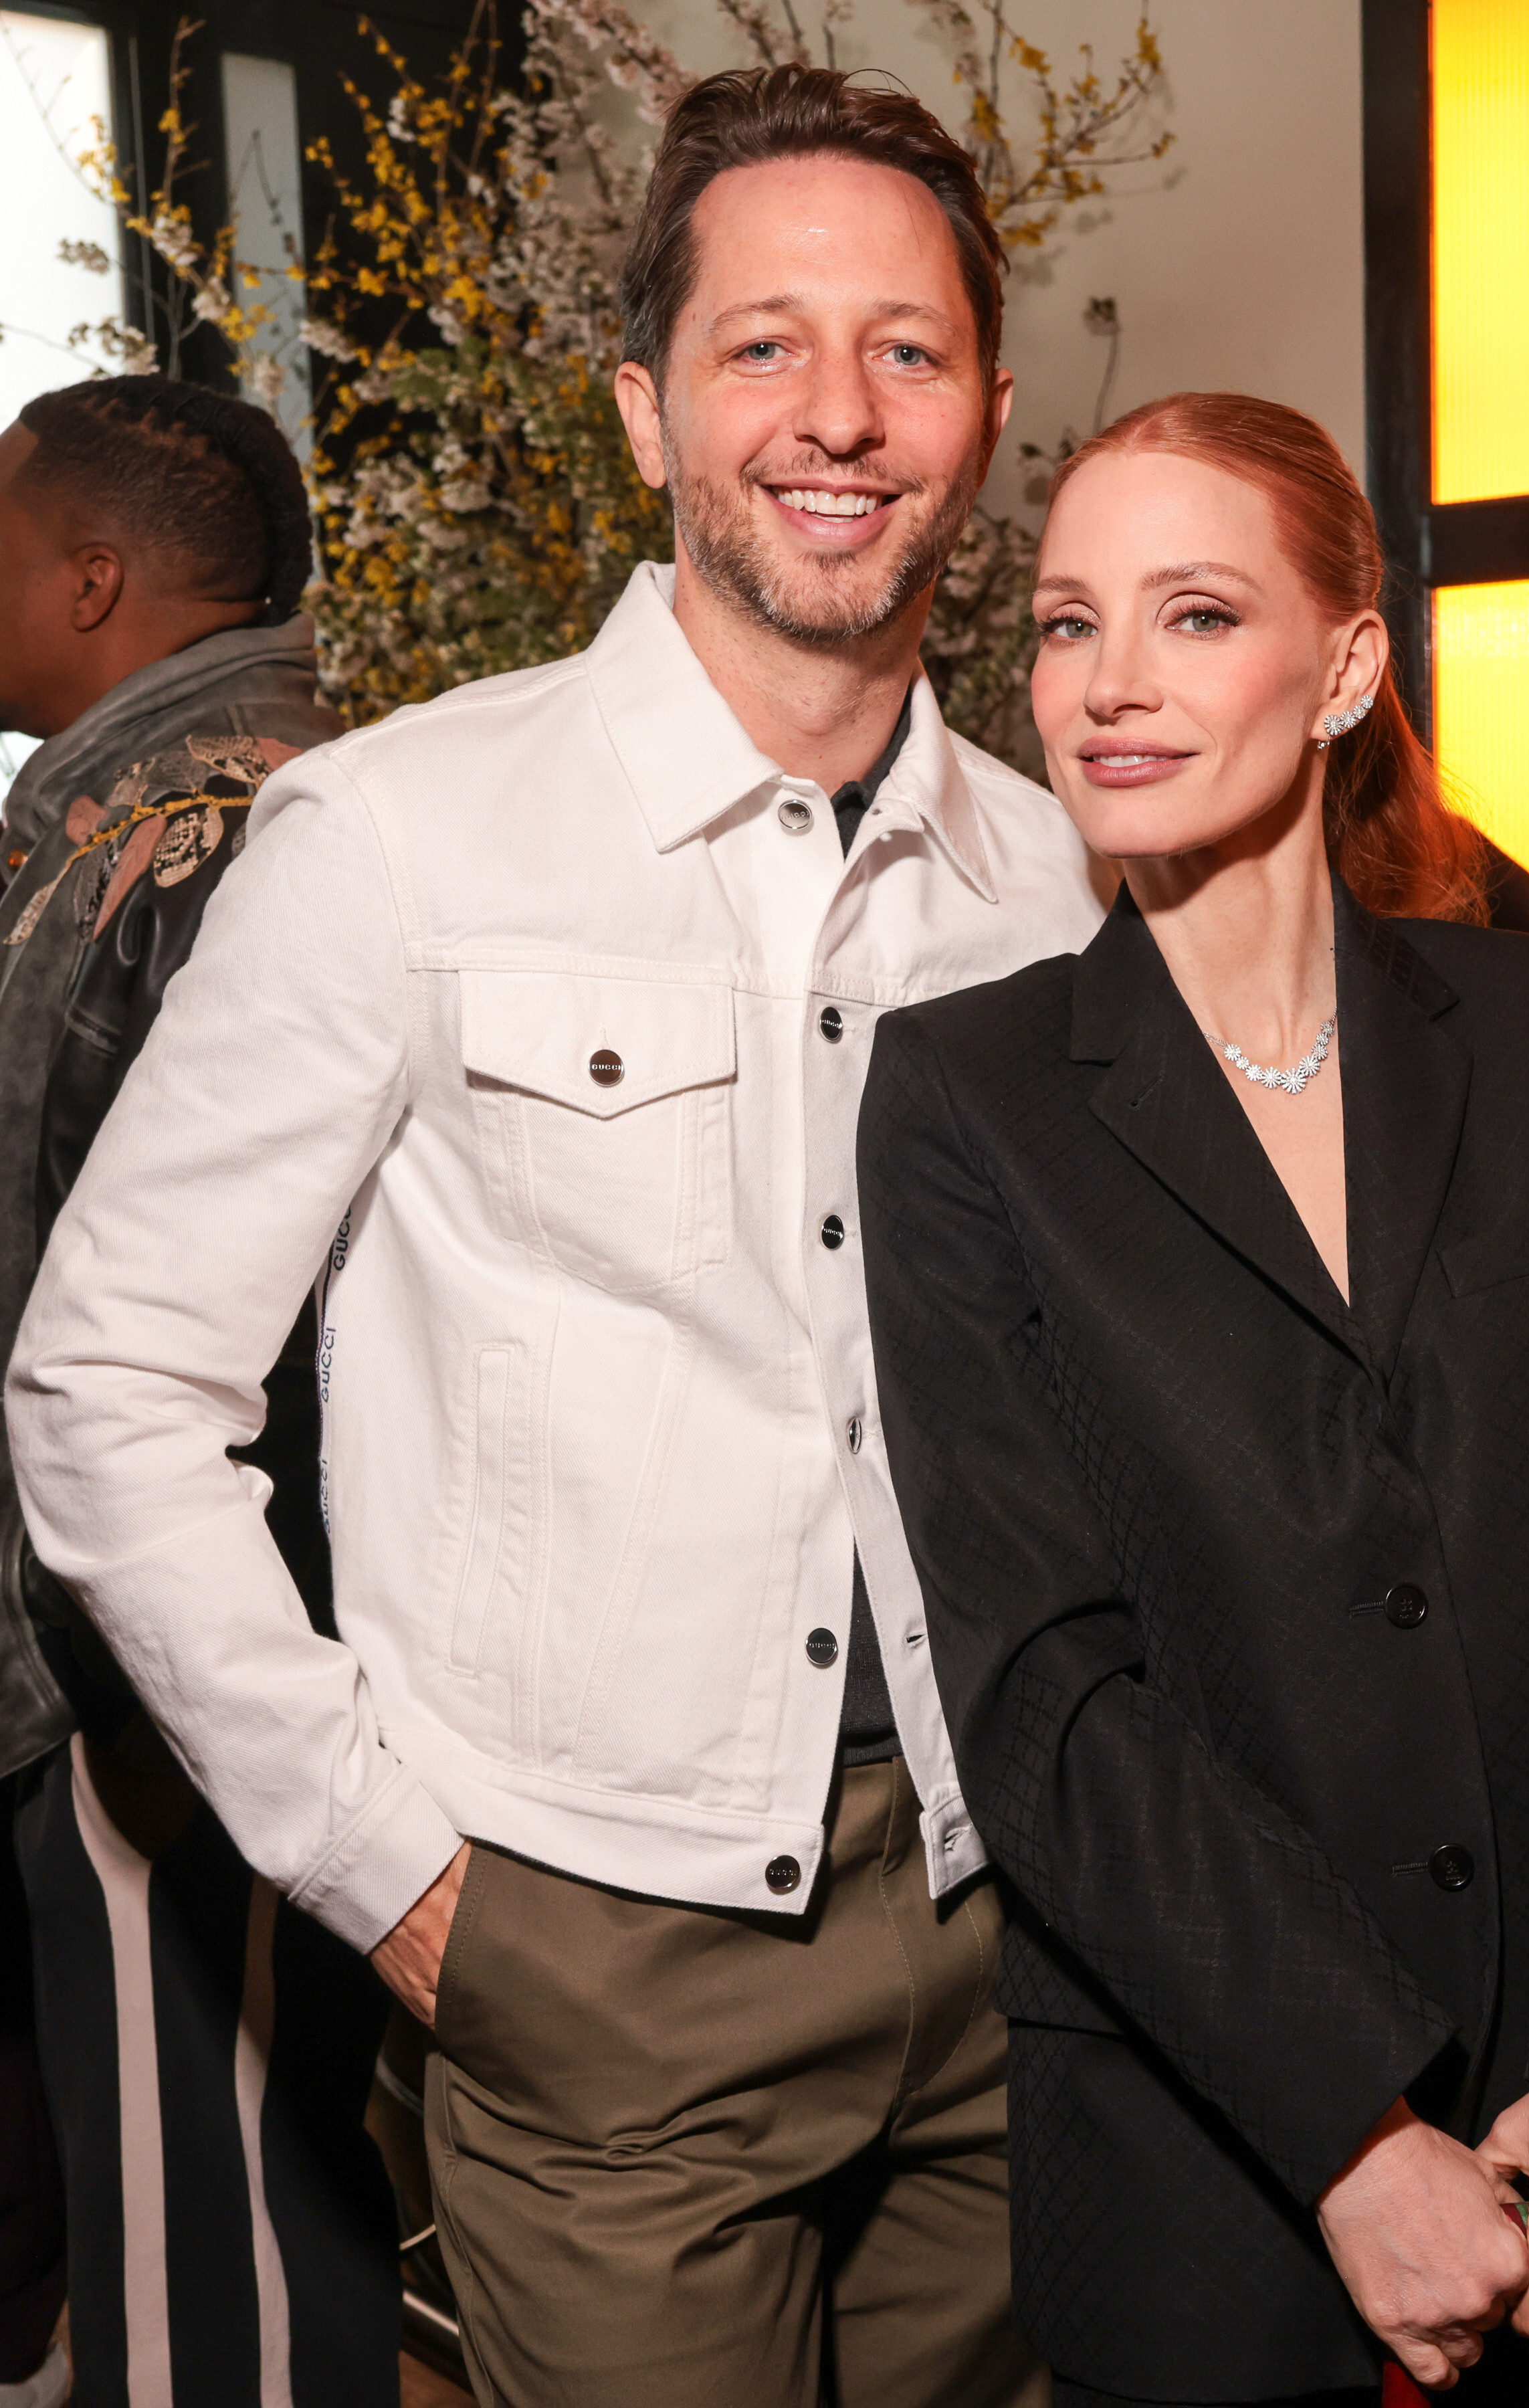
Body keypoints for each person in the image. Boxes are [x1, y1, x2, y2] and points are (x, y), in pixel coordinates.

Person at [5, 69, 1108, 2407]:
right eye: (761, 344)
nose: (839, 413)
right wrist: (392, 1875)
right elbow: (108, 1387)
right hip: (592, 1954)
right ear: (643, 409)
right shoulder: (396, 835)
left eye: (905, 349)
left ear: (987, 415)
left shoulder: (1049, 886)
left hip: (1009, 1928)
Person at [857, 391, 1529, 2407]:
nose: (1109, 683)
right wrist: (1353, 2130)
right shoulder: (965, 1100)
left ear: (1347, 667)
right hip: (1210, 2175)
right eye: (1068, 623)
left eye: (1193, 615)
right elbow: (1043, 1686)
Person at [0, 377, 400, 2406]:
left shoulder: (217, 845)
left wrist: (189, 1700)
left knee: (217, 2280)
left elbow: (273, 1352)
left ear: (91, 579)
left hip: (172, 1687)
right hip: (133, 1671)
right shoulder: (137, 827)